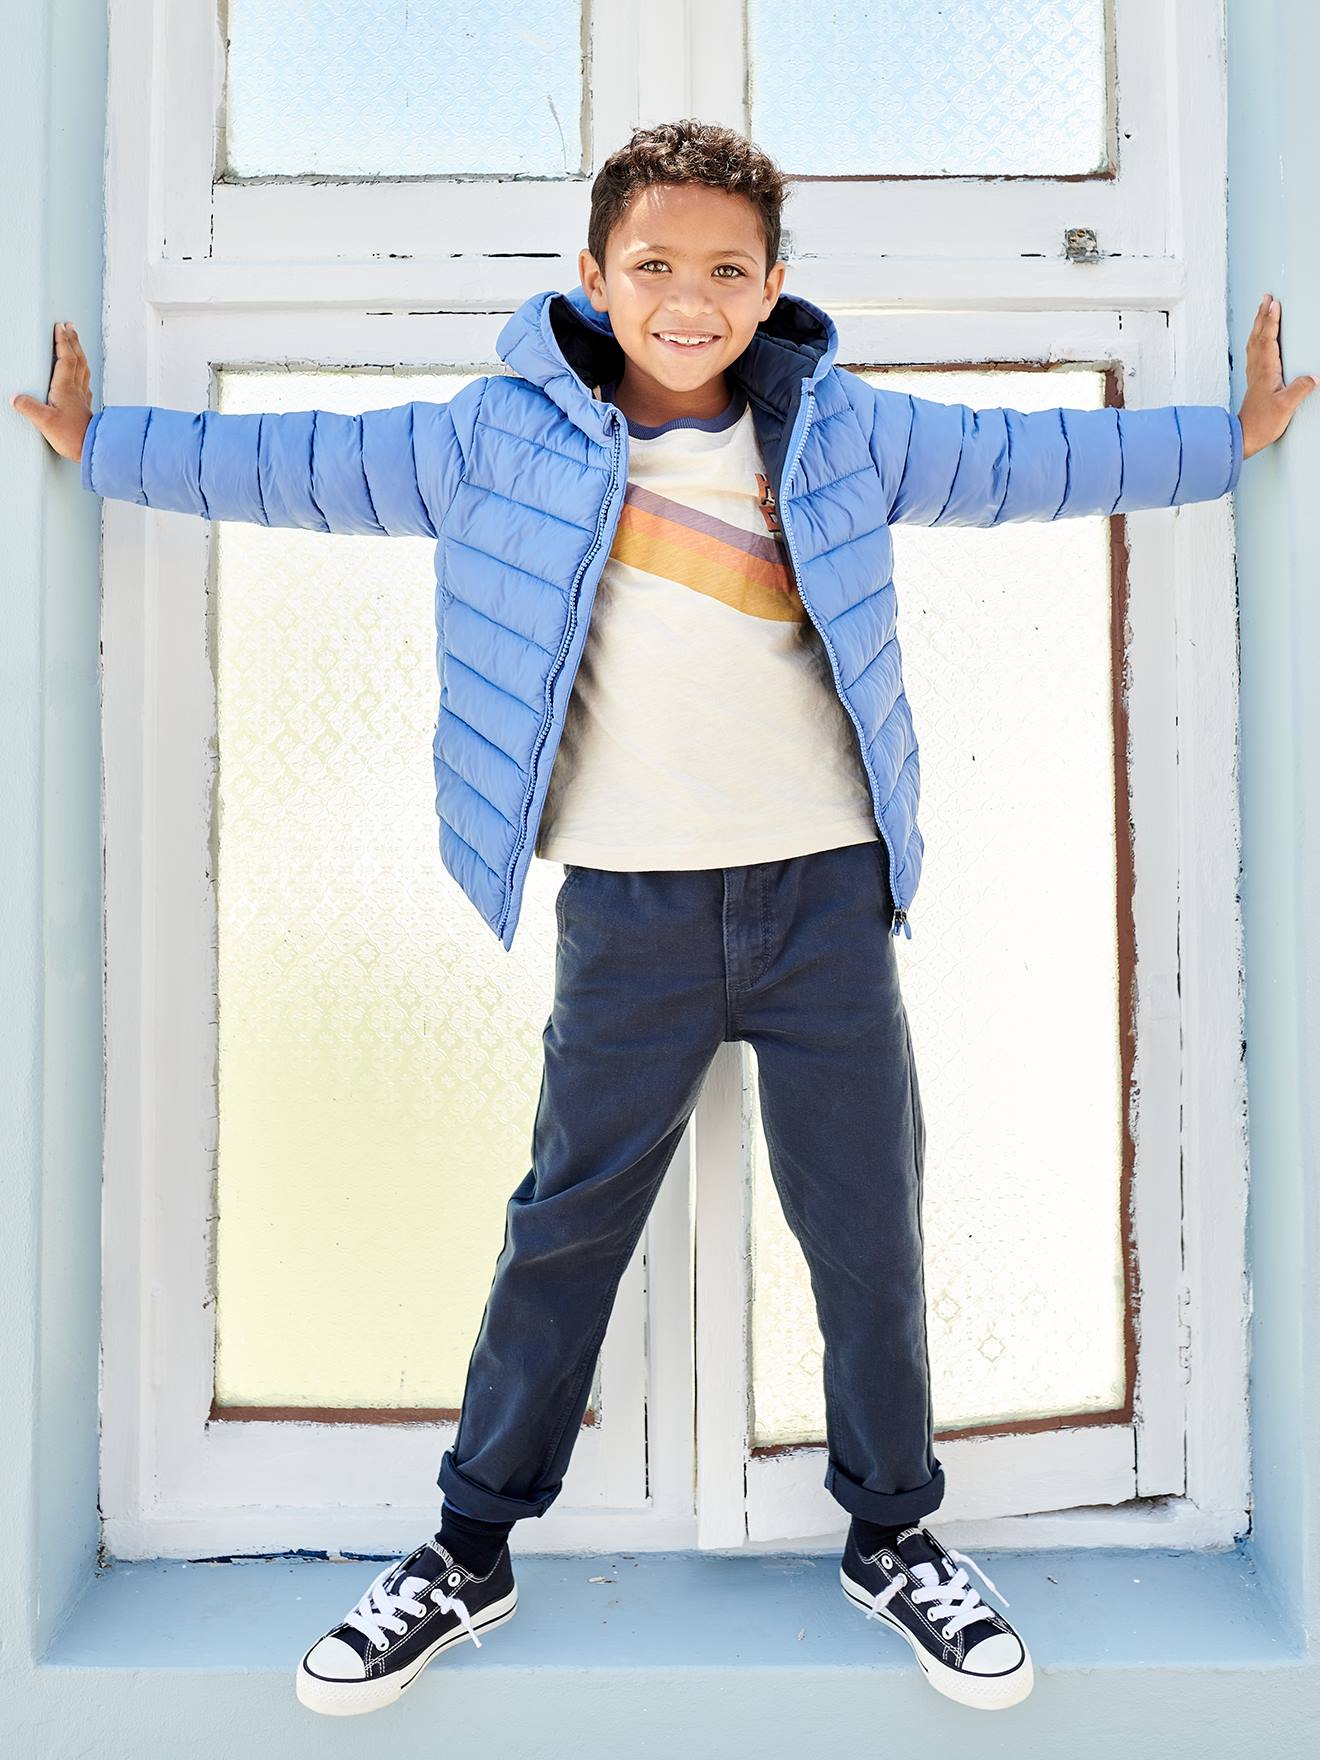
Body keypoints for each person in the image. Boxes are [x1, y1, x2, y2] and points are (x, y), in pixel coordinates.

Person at [11, 117, 1313, 1718]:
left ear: (771, 288)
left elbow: (1022, 464)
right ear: (592, 276)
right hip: (627, 912)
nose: (687, 297)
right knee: (566, 1228)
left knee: (866, 1227)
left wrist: (1225, 438)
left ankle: (893, 1534)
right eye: (653, 267)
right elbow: (297, 466)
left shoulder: (838, 436)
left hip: (824, 898)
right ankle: (469, 1545)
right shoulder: (500, 439)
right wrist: (104, 445)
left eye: (724, 270)